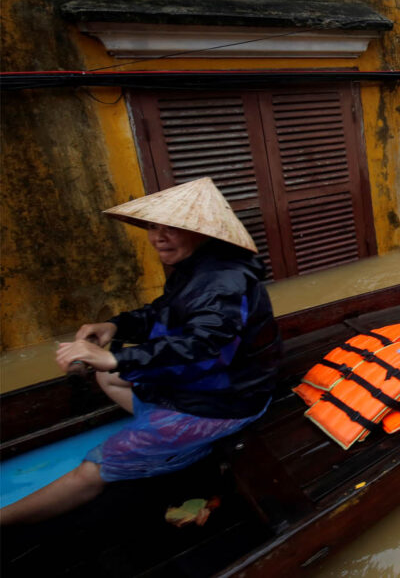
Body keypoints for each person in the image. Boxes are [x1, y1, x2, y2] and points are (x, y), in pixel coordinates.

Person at [0, 177, 278, 525]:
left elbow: (204, 344)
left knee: (91, 470)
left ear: (204, 232)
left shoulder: (222, 280)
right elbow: (162, 311)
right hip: (214, 385)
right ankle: (174, 442)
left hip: (227, 402)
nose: (157, 237)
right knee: (107, 375)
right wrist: (115, 326)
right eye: (152, 226)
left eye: (171, 228)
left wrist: (117, 356)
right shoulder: (197, 268)